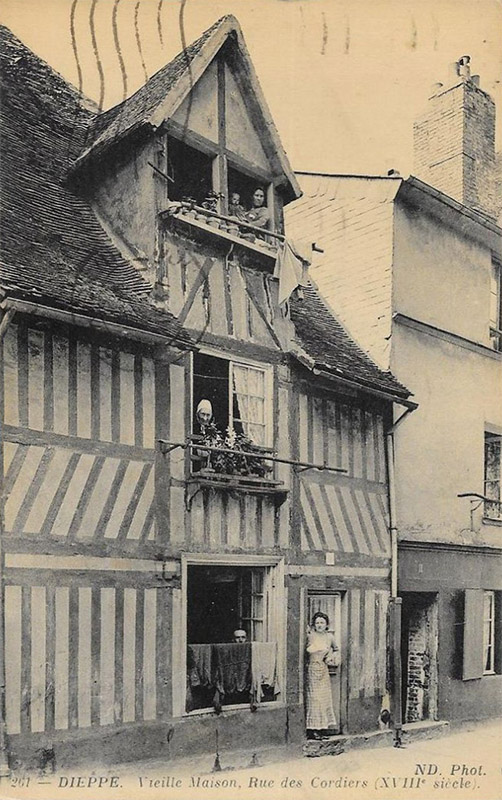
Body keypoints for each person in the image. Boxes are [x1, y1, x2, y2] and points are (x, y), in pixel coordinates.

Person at [305, 611, 339, 739]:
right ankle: (312, 729)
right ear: (314, 624)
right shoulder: (310, 636)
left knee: (324, 699)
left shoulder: (329, 637)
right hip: (312, 669)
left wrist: (330, 658)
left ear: (326, 624)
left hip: (323, 670)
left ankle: (322, 728)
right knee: (314, 699)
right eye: (317, 622)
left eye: (322, 622)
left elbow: (336, 649)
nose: (319, 625)